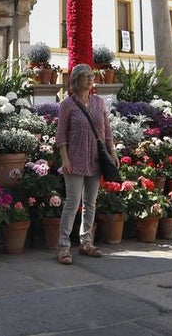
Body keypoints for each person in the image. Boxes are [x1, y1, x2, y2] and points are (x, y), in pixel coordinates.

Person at [54, 63, 118, 265]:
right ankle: (64, 247)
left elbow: (107, 131)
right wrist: (65, 159)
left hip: (96, 160)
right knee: (72, 203)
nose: (90, 79)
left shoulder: (99, 102)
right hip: (74, 160)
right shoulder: (67, 105)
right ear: (76, 80)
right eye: (85, 76)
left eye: (91, 76)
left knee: (90, 203)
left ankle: (86, 242)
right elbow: (61, 135)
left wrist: (112, 151)